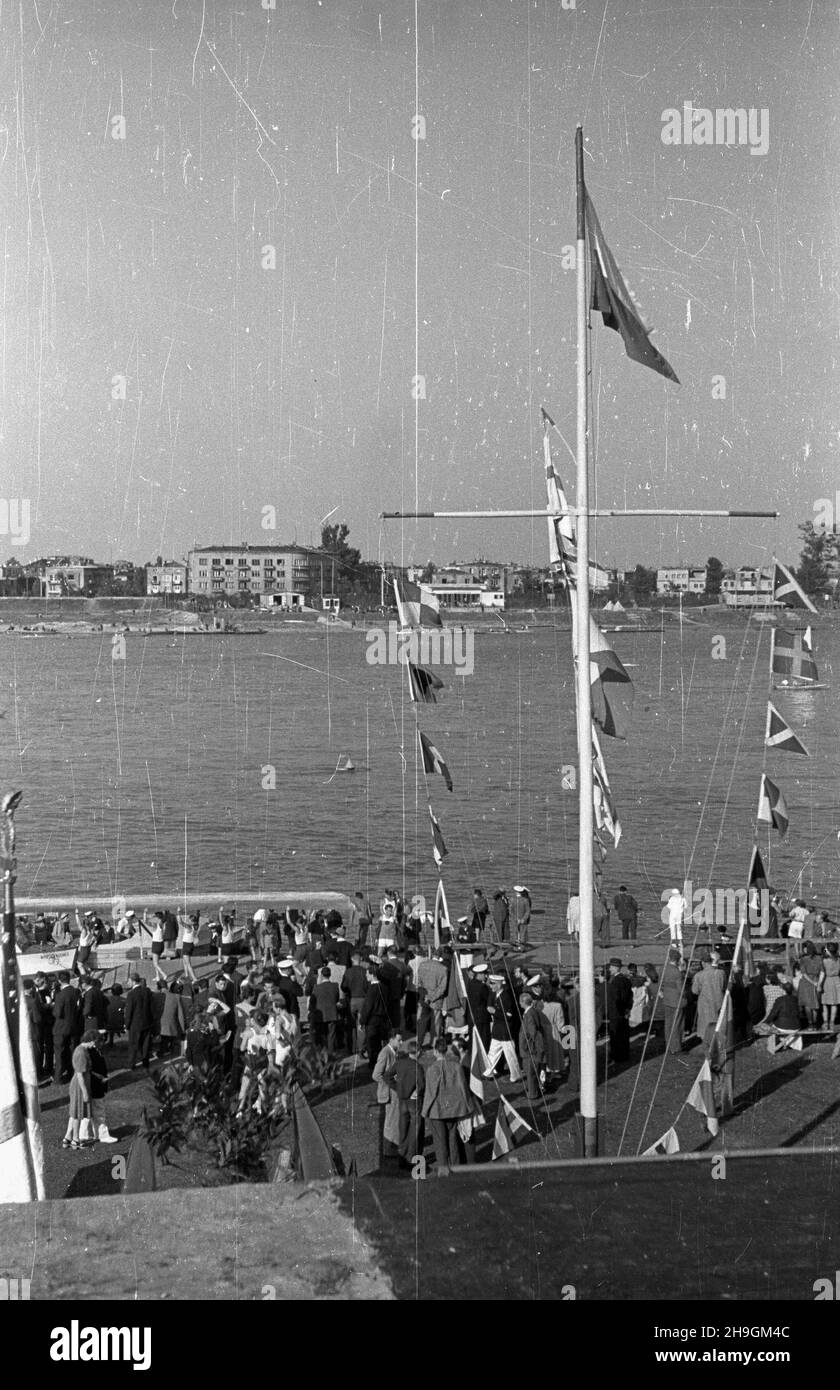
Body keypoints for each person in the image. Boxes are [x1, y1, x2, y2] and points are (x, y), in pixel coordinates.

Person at [421, 1040, 472, 1171]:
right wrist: (468, 1106)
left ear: (436, 1052)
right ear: (446, 1051)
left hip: (437, 1111)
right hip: (455, 1110)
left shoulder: (432, 1069)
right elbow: (463, 1088)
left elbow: (430, 1093)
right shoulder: (456, 1066)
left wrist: (424, 1111)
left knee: (440, 1142)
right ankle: (456, 1167)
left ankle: (444, 1169)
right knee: (453, 1140)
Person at [62, 1028, 98, 1150]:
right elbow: (80, 1075)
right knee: (78, 1113)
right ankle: (75, 1139)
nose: (95, 1044)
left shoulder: (80, 1049)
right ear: (90, 1040)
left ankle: (67, 1137)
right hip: (79, 1085)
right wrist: (85, 1092)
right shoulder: (82, 1053)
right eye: (94, 1041)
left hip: (79, 1083)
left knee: (74, 1113)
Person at [483, 975, 523, 1082]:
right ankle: (488, 1072)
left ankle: (516, 1075)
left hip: (505, 1031)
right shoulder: (493, 994)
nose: (490, 986)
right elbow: (489, 1005)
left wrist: (495, 1012)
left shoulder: (506, 997)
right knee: (492, 1053)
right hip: (497, 1030)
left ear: (499, 984)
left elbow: (509, 1015)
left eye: (492, 983)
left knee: (510, 1055)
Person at [52, 971, 83, 1083]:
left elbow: (57, 1013)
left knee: (59, 1053)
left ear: (60, 981)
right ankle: (72, 1074)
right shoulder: (76, 992)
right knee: (72, 1051)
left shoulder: (60, 995)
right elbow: (80, 1008)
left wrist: (52, 1007)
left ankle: (58, 1077)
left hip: (61, 1027)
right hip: (74, 1026)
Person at [692, 950, 726, 1044]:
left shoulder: (698, 975)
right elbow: (724, 986)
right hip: (718, 1002)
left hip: (705, 1003)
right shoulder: (721, 973)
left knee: (705, 1025)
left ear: (703, 963)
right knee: (718, 1022)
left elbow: (694, 991)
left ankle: (707, 1044)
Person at [518, 993, 548, 1101]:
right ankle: (534, 1090)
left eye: (520, 1001)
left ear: (523, 1002)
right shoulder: (532, 1012)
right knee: (532, 1071)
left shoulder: (529, 1014)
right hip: (531, 1047)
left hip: (529, 1048)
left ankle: (532, 1093)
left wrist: (533, 1047)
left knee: (530, 1072)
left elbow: (533, 1032)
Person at [360, 968, 392, 1068]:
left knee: (372, 1043)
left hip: (372, 1019)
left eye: (367, 974)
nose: (366, 976)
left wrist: (362, 1021)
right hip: (382, 1018)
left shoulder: (372, 989)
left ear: (372, 975)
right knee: (379, 1042)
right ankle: (381, 1061)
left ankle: (373, 1064)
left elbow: (368, 1007)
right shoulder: (385, 987)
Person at [416, 951, 448, 1047]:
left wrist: (425, 996)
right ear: (440, 956)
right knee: (436, 1024)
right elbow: (442, 988)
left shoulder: (422, 965)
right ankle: (434, 1044)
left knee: (421, 1022)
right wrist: (432, 997)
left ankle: (419, 1043)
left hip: (423, 998)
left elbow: (418, 983)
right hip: (436, 1000)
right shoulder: (443, 968)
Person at [125, 973, 155, 1071]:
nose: (128, 983)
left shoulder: (131, 994)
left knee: (133, 1044)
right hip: (147, 1021)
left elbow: (129, 1011)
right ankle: (145, 1062)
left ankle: (131, 1064)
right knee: (146, 1044)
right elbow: (151, 1007)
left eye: (129, 981)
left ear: (133, 981)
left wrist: (127, 1024)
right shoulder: (147, 991)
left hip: (135, 1023)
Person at [605, 958, 633, 1065]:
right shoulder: (625, 980)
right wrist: (628, 1009)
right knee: (624, 1034)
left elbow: (615, 999)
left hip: (616, 1012)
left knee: (615, 1035)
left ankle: (616, 1056)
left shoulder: (614, 982)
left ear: (615, 968)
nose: (610, 969)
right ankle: (624, 1055)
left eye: (611, 967)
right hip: (624, 1011)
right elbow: (630, 996)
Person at [660, 948, 686, 1056]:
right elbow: (681, 990)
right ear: (678, 960)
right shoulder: (677, 973)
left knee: (668, 1024)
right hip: (677, 1001)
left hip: (667, 1000)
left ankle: (669, 1046)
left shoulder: (663, 969)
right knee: (677, 1025)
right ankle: (676, 1047)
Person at [341, 950, 368, 1054]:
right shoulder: (364, 971)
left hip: (352, 999)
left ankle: (351, 1048)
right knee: (361, 1025)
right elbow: (367, 986)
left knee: (351, 1025)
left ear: (352, 959)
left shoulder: (348, 971)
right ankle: (361, 1048)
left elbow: (343, 987)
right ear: (360, 959)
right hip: (362, 999)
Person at [311, 967, 340, 1057]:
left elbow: (313, 1001)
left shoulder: (316, 987)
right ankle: (331, 1054)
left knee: (322, 1036)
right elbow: (336, 998)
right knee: (331, 1035)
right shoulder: (335, 986)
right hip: (332, 1013)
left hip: (320, 1015)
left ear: (322, 975)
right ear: (330, 974)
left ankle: (323, 1055)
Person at [798, 941, 824, 1028]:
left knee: (808, 1005)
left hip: (806, 982)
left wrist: (813, 983)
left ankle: (810, 1024)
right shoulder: (820, 958)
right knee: (815, 1004)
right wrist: (819, 983)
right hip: (816, 980)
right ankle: (816, 1023)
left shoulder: (803, 959)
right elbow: (822, 972)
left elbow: (804, 974)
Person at [465, 962, 492, 1050]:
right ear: (479, 974)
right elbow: (488, 1000)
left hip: (472, 1016)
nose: (486, 976)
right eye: (484, 974)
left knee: (473, 1039)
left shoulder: (471, 983)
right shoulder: (482, 987)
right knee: (483, 1040)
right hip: (481, 1017)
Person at [159, 980, 187, 1058]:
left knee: (164, 1039)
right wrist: (182, 1028)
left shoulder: (157, 995)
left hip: (160, 1024)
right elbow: (180, 1015)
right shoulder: (176, 997)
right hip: (171, 1025)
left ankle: (163, 1052)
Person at [822, 943, 840, 1032]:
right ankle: (832, 1023)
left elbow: (822, 973)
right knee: (834, 1003)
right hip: (836, 980)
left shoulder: (825, 961)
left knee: (825, 1003)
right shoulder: (838, 960)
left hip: (827, 980)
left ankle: (825, 1023)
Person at [667, 889, 687, 953]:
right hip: (679, 915)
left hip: (672, 915)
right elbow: (686, 906)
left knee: (673, 929)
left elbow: (669, 907)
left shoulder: (672, 898)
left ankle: (674, 943)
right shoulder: (683, 898)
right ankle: (681, 943)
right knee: (679, 929)